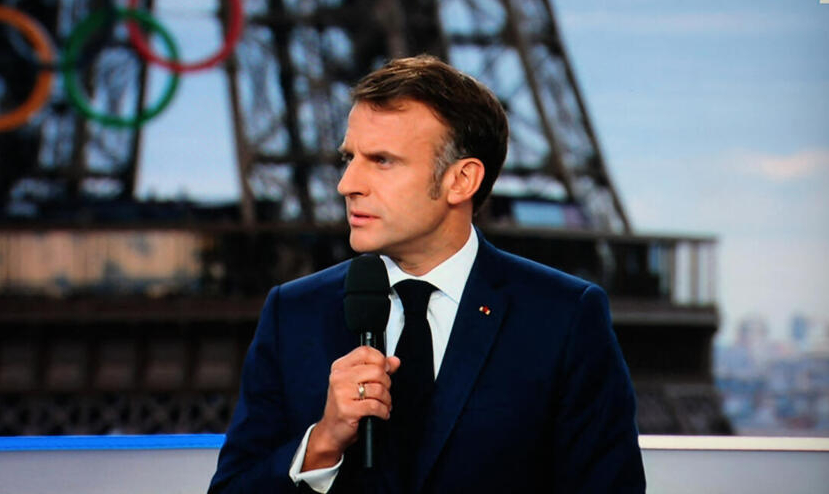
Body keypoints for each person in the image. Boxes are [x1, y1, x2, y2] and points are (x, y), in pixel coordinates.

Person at [208, 55, 645, 493]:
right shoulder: (294, 313)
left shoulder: (562, 318)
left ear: (461, 180)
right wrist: (322, 443)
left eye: (381, 161)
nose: (347, 184)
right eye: (349, 157)